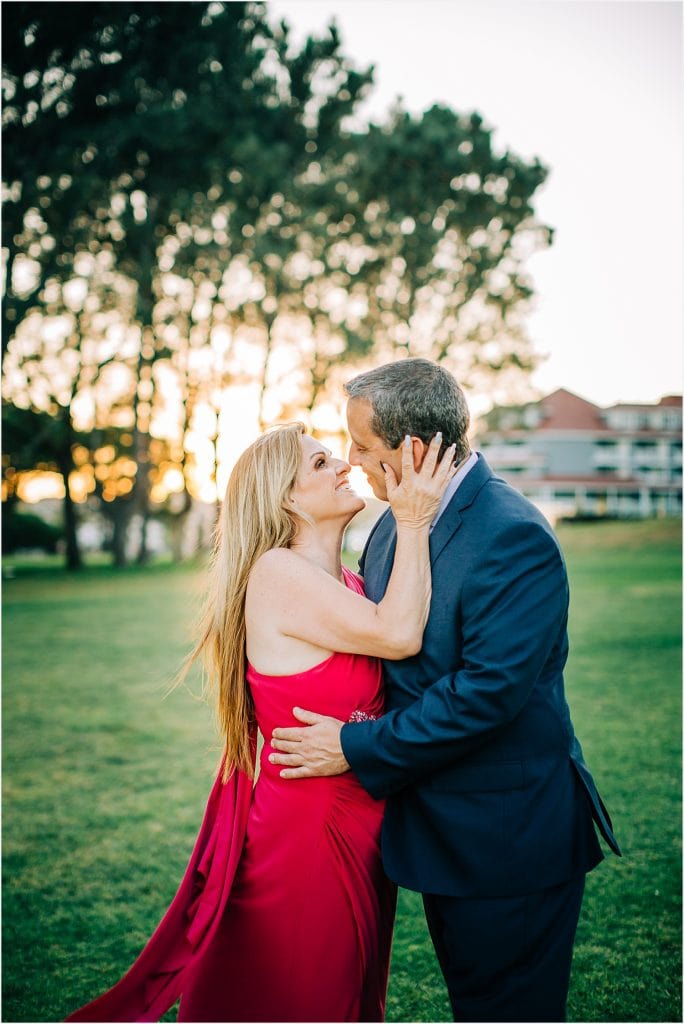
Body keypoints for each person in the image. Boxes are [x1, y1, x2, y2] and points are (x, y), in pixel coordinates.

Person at [66, 421, 458, 1024]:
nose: (344, 467)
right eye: (322, 462)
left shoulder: (347, 580)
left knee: (351, 992)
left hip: (359, 818)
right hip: (308, 830)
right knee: (308, 994)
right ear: (287, 498)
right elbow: (400, 634)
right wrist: (413, 518)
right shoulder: (277, 573)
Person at [270, 358, 622, 1024]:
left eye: (362, 447)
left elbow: (486, 694)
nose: (352, 461)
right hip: (441, 833)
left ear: (411, 451)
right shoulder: (389, 529)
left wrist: (354, 745)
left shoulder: (512, 535)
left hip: (507, 841)